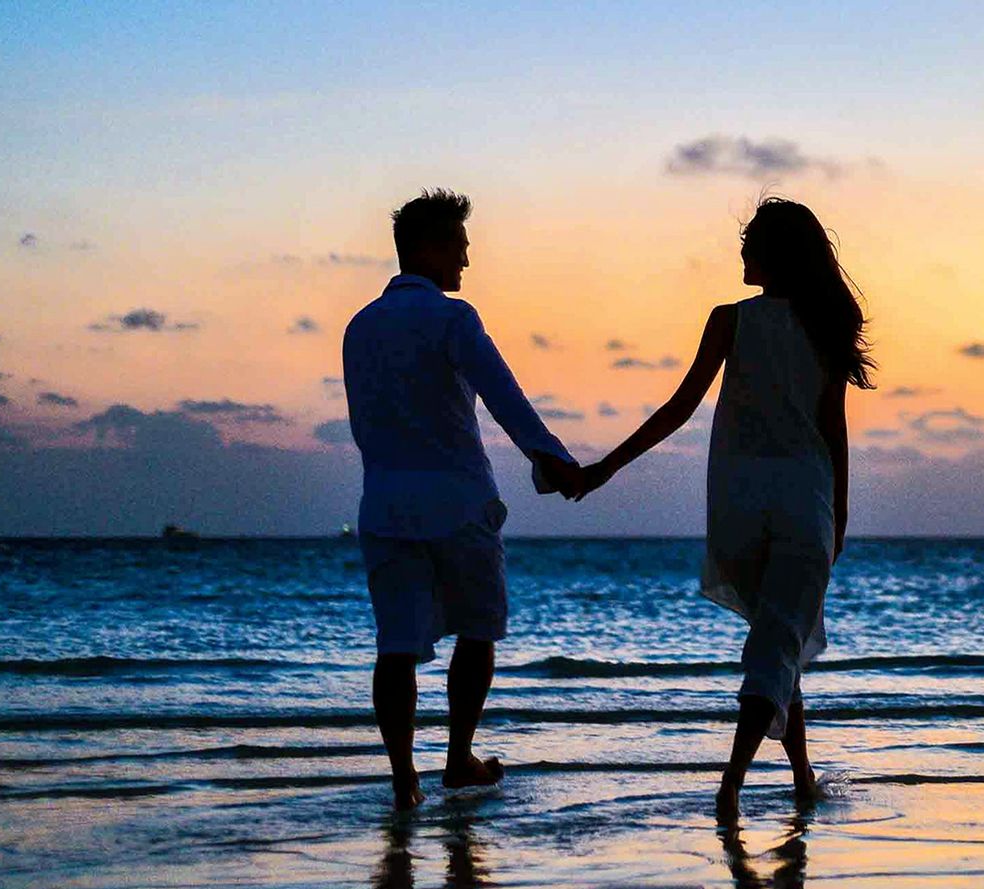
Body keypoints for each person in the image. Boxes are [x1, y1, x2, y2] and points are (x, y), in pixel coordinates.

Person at [573, 198, 873, 821]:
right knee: (775, 645)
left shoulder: (729, 320)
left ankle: (802, 778)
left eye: (748, 241)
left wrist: (606, 467)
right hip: (804, 507)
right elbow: (833, 431)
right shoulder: (824, 326)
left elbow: (679, 408)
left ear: (773, 254)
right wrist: (840, 517)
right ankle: (731, 786)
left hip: (738, 512)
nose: (740, 251)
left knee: (778, 640)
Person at [342, 188, 584, 810]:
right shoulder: (454, 319)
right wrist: (552, 460)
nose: (466, 263)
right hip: (457, 501)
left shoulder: (359, 327)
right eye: (460, 247)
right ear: (429, 247)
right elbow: (503, 396)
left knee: (396, 646)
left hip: (385, 504)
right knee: (477, 631)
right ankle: (457, 758)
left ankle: (404, 780)